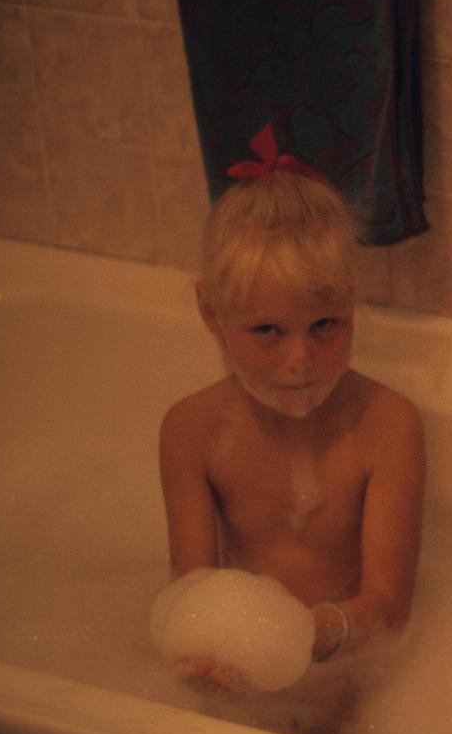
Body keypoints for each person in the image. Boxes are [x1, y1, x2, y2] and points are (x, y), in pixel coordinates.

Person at [158, 124, 425, 695]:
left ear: (353, 303)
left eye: (325, 325)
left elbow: (389, 607)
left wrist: (303, 636)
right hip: (241, 668)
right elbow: (190, 585)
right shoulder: (192, 430)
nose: (301, 360)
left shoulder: (388, 425)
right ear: (211, 311)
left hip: (352, 669)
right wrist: (208, 646)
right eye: (267, 331)